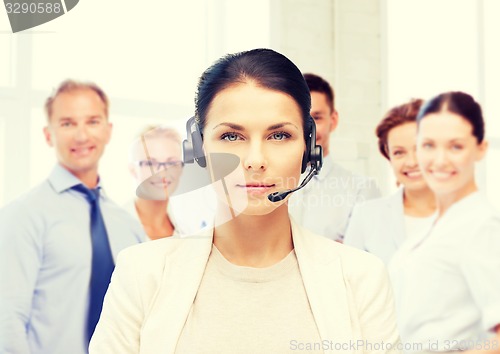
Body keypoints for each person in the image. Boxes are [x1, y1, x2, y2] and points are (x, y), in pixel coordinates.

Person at [89, 49, 400, 354]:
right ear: (198, 150)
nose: (255, 160)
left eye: (279, 136)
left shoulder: (361, 278)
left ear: (308, 150)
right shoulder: (142, 273)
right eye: (231, 136)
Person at [0, 80, 145, 354]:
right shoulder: (22, 216)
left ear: (107, 130)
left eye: (92, 121)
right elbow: (7, 320)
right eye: (67, 123)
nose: (81, 136)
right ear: (48, 134)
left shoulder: (127, 225)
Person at [389, 92, 500, 353]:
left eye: (456, 146)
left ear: (480, 148)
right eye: (428, 145)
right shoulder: (434, 227)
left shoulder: (482, 226)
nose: (439, 160)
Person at [288, 73, 381, 242]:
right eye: (299, 118)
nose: (309, 129)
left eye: (316, 118)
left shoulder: (362, 189)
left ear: (334, 120)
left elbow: (363, 259)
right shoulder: (268, 185)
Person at [343, 99, 436, 264]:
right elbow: (349, 282)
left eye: (421, 148)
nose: (411, 162)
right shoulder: (366, 216)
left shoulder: (468, 217)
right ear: (389, 156)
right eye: (399, 152)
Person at [126, 125, 208, 238]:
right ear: (133, 170)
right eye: (150, 163)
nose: (162, 173)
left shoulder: (188, 229)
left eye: (171, 163)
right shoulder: (112, 226)